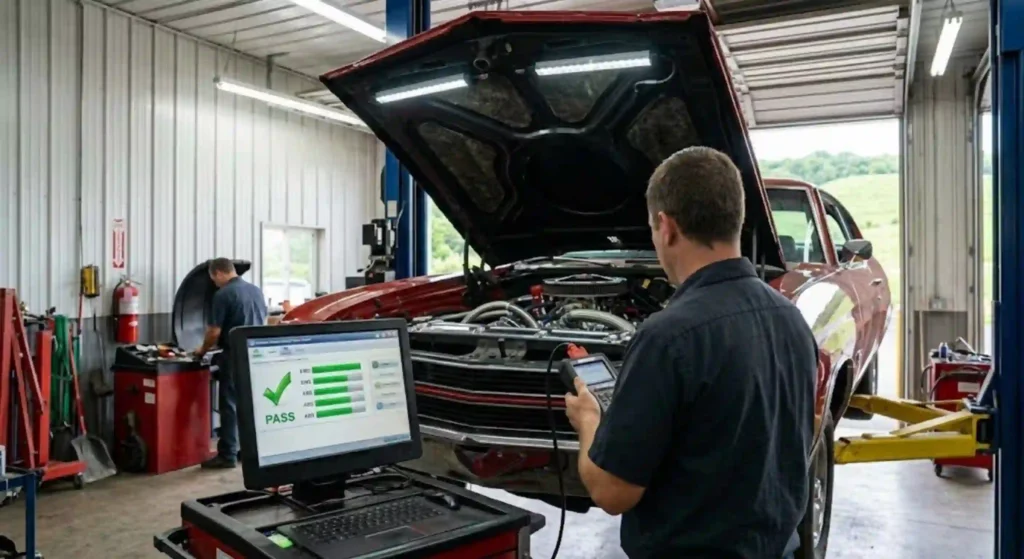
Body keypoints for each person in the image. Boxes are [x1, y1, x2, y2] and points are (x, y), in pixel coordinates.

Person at [564, 146, 817, 558]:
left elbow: (612, 492)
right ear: (737, 219)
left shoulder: (668, 338)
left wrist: (589, 420)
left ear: (666, 227)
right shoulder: (791, 319)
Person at [195, 257, 268, 469]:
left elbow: (214, 332)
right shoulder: (256, 290)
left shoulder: (223, 294)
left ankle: (227, 455)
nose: (214, 283)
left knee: (229, 404)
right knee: (250, 405)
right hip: (256, 354)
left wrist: (202, 351)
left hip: (234, 354)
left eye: (213, 279)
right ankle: (246, 451)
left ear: (218, 273)